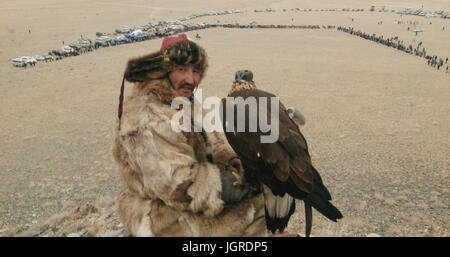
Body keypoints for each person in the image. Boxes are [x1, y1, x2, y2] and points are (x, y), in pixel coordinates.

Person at [112, 34, 266, 236]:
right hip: (157, 211)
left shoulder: (182, 101)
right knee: (254, 211)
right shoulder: (148, 115)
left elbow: (211, 137)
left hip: (178, 198)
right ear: (164, 71)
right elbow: (176, 183)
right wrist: (229, 186)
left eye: (196, 71)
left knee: (261, 201)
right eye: (182, 69)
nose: (191, 79)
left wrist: (229, 158)